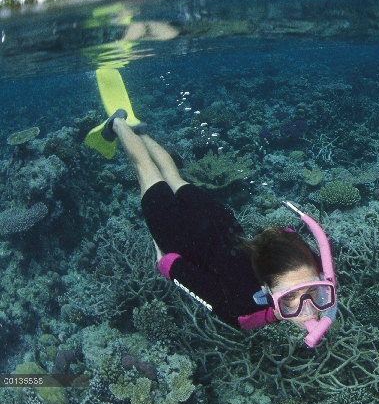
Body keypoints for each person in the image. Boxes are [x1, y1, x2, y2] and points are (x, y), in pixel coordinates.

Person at [102, 110, 337, 345]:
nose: (310, 309)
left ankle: (141, 133)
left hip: (216, 218)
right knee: (145, 169)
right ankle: (118, 123)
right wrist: (161, 257)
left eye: (314, 292)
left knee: (173, 178)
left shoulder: (305, 261)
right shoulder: (239, 306)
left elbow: (285, 233)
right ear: (266, 291)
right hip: (177, 231)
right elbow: (169, 263)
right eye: (291, 297)